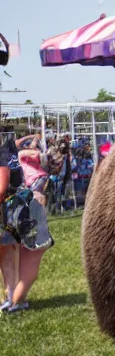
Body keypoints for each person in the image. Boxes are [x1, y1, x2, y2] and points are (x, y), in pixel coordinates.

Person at [0, 134, 53, 314]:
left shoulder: (9, 151)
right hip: (18, 209)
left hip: (12, 210)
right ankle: (15, 301)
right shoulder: (8, 152)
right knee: (30, 255)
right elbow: (2, 186)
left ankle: (11, 298)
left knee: (11, 256)